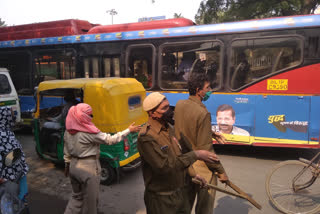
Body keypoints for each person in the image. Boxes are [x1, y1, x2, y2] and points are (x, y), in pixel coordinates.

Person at [138, 92, 221, 214]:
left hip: (180, 194)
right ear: (152, 113)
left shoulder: (169, 128)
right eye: (164, 108)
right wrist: (196, 154)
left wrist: (193, 174)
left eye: (169, 106)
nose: (170, 110)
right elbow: (165, 166)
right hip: (161, 200)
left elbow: (178, 157)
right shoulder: (147, 137)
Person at [63, 103, 141, 214]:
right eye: (90, 115)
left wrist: (67, 165)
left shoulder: (68, 131)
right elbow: (111, 140)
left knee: (76, 197)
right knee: (91, 202)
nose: (91, 117)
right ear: (82, 116)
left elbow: (66, 150)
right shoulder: (89, 133)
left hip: (73, 166)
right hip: (88, 167)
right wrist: (128, 130)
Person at [174, 73, 229, 214]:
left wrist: (212, 132)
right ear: (199, 90)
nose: (210, 90)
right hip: (202, 168)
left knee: (184, 206)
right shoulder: (203, 113)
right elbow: (206, 149)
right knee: (204, 208)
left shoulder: (180, 105)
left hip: (185, 164)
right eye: (208, 87)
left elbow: (190, 126)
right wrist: (221, 171)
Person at [0, 106, 29, 202]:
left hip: (15, 177)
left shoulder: (8, 133)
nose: (13, 119)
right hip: (10, 179)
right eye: (11, 116)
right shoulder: (5, 136)